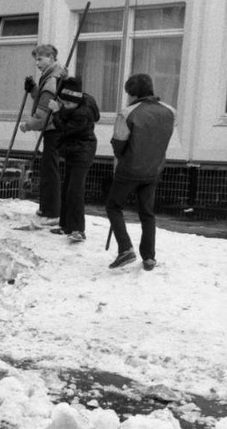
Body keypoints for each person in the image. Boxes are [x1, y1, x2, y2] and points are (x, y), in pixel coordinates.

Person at [106, 74, 175, 271]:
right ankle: (149, 257)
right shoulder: (170, 111)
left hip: (129, 168)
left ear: (133, 93)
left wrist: (121, 155)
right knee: (147, 213)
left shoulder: (128, 113)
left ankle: (125, 248)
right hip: (154, 168)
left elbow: (118, 143)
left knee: (113, 206)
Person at [46, 76, 100, 243]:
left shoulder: (83, 114)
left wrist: (56, 112)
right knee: (67, 187)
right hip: (73, 150)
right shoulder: (78, 101)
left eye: (68, 104)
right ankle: (66, 225)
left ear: (76, 101)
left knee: (75, 191)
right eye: (64, 103)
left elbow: (64, 129)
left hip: (83, 152)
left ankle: (78, 229)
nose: (66, 106)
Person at [20, 44, 67, 225]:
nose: (37, 63)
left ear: (51, 58)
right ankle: (46, 207)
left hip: (53, 129)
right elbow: (42, 98)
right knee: (48, 168)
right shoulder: (52, 76)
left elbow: (42, 117)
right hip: (54, 128)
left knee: (50, 170)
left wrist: (27, 126)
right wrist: (33, 89)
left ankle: (52, 212)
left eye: (40, 59)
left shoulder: (51, 81)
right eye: (36, 60)